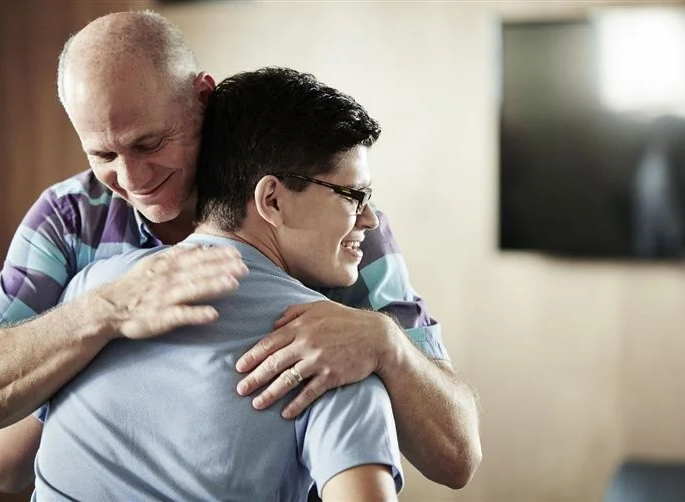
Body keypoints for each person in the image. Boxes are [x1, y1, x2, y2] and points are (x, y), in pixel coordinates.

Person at [0, 10, 481, 492]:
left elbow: (457, 457)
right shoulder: (71, 219)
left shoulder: (339, 228)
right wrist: (102, 314)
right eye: (103, 154)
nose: (131, 178)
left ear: (202, 97)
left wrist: (386, 344)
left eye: (150, 144)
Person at [25, 66, 402, 501]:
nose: (370, 220)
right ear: (272, 200)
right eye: (353, 196)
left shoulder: (88, 290)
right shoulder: (330, 359)